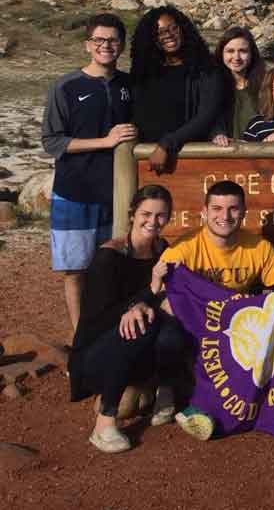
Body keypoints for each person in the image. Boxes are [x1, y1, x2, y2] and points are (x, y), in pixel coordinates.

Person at [155, 180, 274, 440]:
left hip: (237, 331)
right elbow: (163, 300)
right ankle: (169, 389)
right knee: (168, 334)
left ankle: (215, 411)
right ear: (204, 211)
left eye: (233, 209)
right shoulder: (184, 247)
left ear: (244, 211)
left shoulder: (258, 247)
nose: (225, 216)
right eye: (217, 209)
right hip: (198, 329)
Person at [69, 185, 189, 453]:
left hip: (137, 354)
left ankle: (164, 390)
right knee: (138, 325)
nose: (153, 221)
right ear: (132, 214)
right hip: (97, 353)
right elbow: (98, 319)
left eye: (161, 215)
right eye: (146, 213)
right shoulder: (109, 257)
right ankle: (104, 424)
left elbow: (164, 296)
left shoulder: (162, 250)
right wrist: (143, 298)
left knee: (170, 323)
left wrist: (153, 302)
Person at [42, 13, 136, 337]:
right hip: (74, 192)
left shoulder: (129, 85)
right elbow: (52, 141)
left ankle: (108, 335)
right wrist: (105, 141)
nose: (105, 45)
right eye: (99, 40)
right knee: (75, 270)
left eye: (112, 40)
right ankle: (80, 338)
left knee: (111, 267)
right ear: (87, 45)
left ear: (121, 45)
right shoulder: (65, 86)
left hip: (116, 193)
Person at [130, 6, 225, 173]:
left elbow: (205, 117)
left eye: (173, 28)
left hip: (188, 159)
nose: (168, 35)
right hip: (145, 160)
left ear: (183, 29)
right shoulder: (143, 72)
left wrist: (166, 144)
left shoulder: (206, 69)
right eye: (160, 32)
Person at [212, 26, 265, 146]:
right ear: (221, 53)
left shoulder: (265, 84)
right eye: (230, 51)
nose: (236, 57)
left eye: (243, 51)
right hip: (222, 154)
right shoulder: (212, 86)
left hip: (258, 153)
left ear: (252, 53)